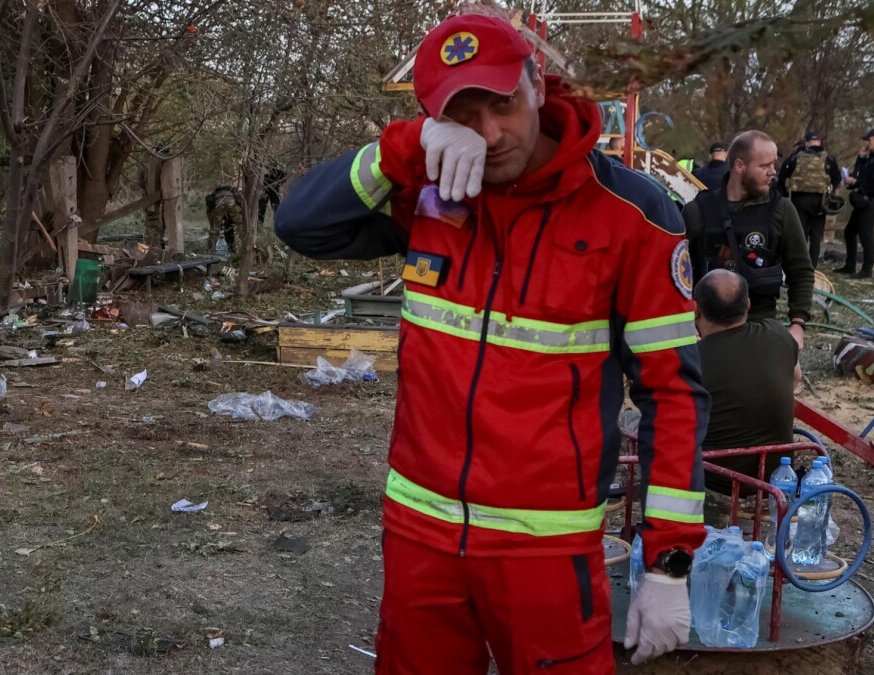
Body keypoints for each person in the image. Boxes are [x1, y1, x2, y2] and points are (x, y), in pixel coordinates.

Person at [274, 13, 709, 673]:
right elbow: (303, 224)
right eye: (463, 114)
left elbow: (672, 393)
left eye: (503, 103)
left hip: (549, 556)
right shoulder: (427, 189)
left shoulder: (633, 215)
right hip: (421, 541)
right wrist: (408, 147)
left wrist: (669, 560)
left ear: (537, 83)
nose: (491, 132)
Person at [682, 130, 813, 350]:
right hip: (708, 330)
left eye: (773, 164)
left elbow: (800, 270)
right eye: (764, 166)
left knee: (793, 376)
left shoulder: (781, 210)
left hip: (761, 324)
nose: (772, 172)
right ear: (740, 166)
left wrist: (797, 325)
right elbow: (676, 275)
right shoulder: (697, 212)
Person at [694, 270, 797, 497]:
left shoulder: (691, 360)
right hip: (777, 476)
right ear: (748, 304)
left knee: (631, 424)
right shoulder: (778, 334)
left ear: (696, 309)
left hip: (716, 481)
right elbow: (795, 377)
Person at [837, 127, 874, 278]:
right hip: (862, 200)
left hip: (870, 201)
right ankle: (850, 265)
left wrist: (856, 182)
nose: (867, 144)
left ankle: (867, 269)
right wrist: (861, 159)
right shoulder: (872, 158)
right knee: (850, 232)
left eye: (869, 141)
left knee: (866, 236)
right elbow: (860, 175)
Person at [777, 133, 842, 267]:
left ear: (806, 143)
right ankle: (812, 266)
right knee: (816, 237)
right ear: (819, 142)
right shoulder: (828, 158)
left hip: (798, 200)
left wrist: (784, 195)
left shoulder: (796, 157)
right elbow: (837, 178)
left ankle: (798, 264)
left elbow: (782, 177)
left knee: (800, 235)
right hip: (820, 202)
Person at [204, 185, 244, 253]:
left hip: (218, 203)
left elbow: (211, 218)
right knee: (241, 226)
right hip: (232, 202)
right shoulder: (232, 192)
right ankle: (242, 248)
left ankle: (210, 250)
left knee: (214, 230)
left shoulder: (214, 194)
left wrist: (214, 224)